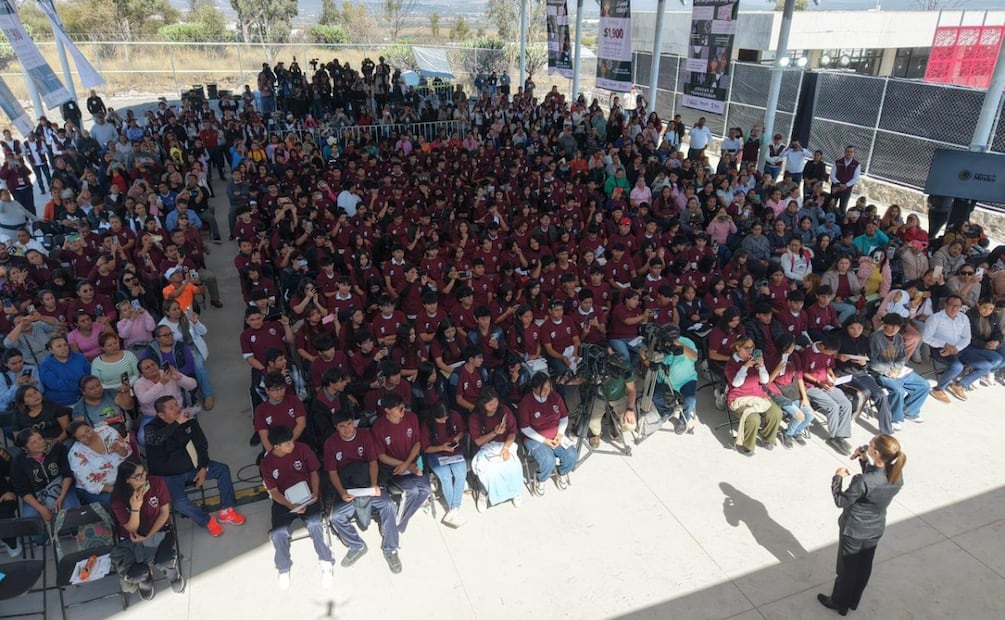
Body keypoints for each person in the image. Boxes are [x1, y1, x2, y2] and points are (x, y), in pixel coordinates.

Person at [819, 434, 906, 616]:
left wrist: (837, 478)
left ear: (876, 452)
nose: (868, 445)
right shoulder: (896, 475)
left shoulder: (864, 481)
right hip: (875, 528)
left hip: (854, 529)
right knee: (864, 565)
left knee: (846, 569)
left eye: (870, 445)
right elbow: (874, 483)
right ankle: (853, 601)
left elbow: (841, 501)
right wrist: (864, 460)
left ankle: (839, 602)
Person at [144, 395, 246, 536]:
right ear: (161, 415)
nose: (177, 409)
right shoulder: (151, 428)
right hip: (169, 476)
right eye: (171, 408)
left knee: (222, 470)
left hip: (192, 467)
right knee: (178, 503)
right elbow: (154, 439)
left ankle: (227, 510)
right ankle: (206, 520)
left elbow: (201, 445)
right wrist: (177, 423)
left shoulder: (188, 421)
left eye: (176, 405)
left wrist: (203, 468)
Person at [323, 410, 402, 574]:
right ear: (336, 427)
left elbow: (373, 463)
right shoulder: (331, 443)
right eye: (342, 426)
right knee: (335, 517)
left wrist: (373, 486)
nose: (347, 429)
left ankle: (391, 548)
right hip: (347, 487)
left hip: (366, 482)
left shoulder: (365, 436)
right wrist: (342, 492)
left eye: (349, 424)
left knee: (388, 505)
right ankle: (357, 545)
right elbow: (332, 473)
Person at [259, 425, 334, 591]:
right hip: (285, 500)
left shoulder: (302, 449)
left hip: (308, 495)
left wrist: (314, 493)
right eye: (287, 444)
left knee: (315, 524)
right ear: (276, 447)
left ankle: (326, 561)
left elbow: (314, 472)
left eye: (291, 441)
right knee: (278, 533)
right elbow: (273, 492)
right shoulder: (267, 464)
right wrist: (290, 505)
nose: (292, 445)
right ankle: (283, 568)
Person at [109, 461, 185, 601]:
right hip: (133, 539)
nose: (144, 478)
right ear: (127, 480)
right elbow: (132, 529)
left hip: (160, 530)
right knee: (137, 572)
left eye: (144, 473)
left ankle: (173, 576)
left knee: (164, 561)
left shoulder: (156, 482)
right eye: (138, 476)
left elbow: (164, 513)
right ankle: (146, 582)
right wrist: (135, 508)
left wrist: (149, 535)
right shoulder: (118, 500)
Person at [371, 392, 432, 533]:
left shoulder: (411, 418)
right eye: (399, 409)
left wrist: (408, 464)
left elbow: (417, 443)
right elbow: (382, 456)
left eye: (403, 407)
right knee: (412, 491)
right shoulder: (379, 427)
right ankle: (397, 526)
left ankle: (399, 521)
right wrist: (405, 465)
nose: (403, 410)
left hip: (412, 463)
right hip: (393, 468)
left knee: (426, 490)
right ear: (387, 410)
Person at [923, 294, 995, 403]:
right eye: (951, 305)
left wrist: (956, 348)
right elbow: (926, 337)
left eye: (958, 306)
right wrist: (945, 345)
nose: (954, 309)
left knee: (986, 365)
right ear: (945, 305)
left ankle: (960, 385)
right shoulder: (935, 318)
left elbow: (967, 337)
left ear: (961, 307)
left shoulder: (963, 317)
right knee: (957, 367)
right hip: (940, 348)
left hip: (960, 348)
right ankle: (938, 389)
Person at [518, 373, 578, 495]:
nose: (547, 391)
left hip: (555, 434)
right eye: (543, 388)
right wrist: (544, 441)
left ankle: (562, 473)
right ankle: (541, 479)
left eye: (548, 387)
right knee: (548, 460)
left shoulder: (555, 397)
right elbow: (525, 428)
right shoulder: (526, 403)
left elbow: (564, 417)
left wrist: (560, 434)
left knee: (572, 455)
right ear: (534, 388)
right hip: (534, 437)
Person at [723, 337, 784, 456]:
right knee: (753, 418)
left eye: (752, 348)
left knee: (776, 412)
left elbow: (764, 381)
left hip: (758, 394)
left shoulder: (754, 361)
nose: (750, 351)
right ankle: (747, 445)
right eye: (747, 348)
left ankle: (767, 436)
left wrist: (762, 366)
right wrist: (745, 367)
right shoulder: (731, 364)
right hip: (739, 397)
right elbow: (736, 383)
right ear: (738, 348)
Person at [869, 314, 930, 429]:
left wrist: (897, 369)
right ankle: (893, 417)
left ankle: (910, 411)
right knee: (898, 391)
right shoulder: (875, 338)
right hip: (880, 372)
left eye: (897, 327)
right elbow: (872, 361)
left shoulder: (898, 338)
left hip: (897, 370)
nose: (894, 329)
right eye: (891, 326)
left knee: (924, 385)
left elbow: (902, 357)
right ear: (884, 324)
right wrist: (887, 371)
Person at [468, 388, 523, 510]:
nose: (494, 406)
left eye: (495, 402)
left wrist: (506, 448)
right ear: (482, 405)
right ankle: (484, 493)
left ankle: (515, 491)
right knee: (489, 471)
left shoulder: (504, 410)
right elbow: (478, 441)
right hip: (485, 448)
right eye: (490, 404)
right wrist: (494, 433)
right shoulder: (475, 417)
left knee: (514, 466)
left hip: (504, 444)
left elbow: (512, 432)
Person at [10, 430, 81, 526]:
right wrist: (41, 508)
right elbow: (23, 491)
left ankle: (73, 533)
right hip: (36, 495)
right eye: (34, 442)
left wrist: (61, 497)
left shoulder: (57, 447)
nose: (40, 443)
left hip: (62, 488)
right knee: (30, 524)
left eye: (40, 438)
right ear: (25, 448)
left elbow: (67, 474)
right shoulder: (18, 462)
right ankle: (47, 536)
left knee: (73, 516)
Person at [801, 334, 855, 455]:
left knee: (846, 404)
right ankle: (834, 437)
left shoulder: (829, 352)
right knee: (833, 406)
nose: (831, 355)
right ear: (822, 347)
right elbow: (803, 373)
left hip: (826, 383)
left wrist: (832, 376)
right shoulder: (808, 353)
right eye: (829, 352)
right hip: (811, 386)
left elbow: (828, 366)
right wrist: (818, 382)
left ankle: (841, 436)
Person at [420, 403, 468, 527]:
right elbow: (426, 448)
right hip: (436, 453)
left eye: (445, 419)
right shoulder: (427, 424)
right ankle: (454, 509)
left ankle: (454, 509)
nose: (443, 421)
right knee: (446, 477)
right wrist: (441, 447)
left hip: (454, 451)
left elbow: (462, 430)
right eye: (440, 419)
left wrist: (458, 437)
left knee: (461, 474)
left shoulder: (454, 415)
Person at [766, 334, 814, 449]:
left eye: (792, 346)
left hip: (792, 390)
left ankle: (796, 432)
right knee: (799, 415)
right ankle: (787, 434)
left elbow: (799, 378)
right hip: (777, 391)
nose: (790, 349)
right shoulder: (772, 358)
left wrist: (804, 398)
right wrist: (777, 370)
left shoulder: (795, 358)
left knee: (810, 414)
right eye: (788, 347)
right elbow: (767, 382)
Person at [67, 420, 132, 504]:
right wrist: (117, 489)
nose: (88, 436)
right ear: (77, 440)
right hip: (100, 488)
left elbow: (127, 453)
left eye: (88, 430)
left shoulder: (107, 431)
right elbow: (90, 485)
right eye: (82, 437)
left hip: (121, 476)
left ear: (91, 426)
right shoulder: (76, 454)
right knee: (118, 500)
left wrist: (120, 450)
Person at [585, 351, 637, 448]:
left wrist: (630, 409)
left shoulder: (625, 368)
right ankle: (596, 434)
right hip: (600, 397)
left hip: (618, 397)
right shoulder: (599, 365)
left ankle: (615, 423)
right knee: (592, 422)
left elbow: (632, 389)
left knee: (630, 425)